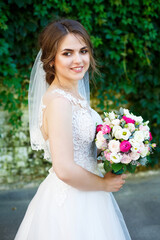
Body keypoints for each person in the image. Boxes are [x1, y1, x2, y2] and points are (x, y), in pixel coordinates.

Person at [14, 19, 131, 240]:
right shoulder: (59, 102)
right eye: (67, 53)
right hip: (71, 201)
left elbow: (82, 146)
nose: (78, 60)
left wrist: (119, 148)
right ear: (51, 61)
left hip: (89, 192)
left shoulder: (73, 96)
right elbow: (65, 168)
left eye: (83, 51)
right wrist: (104, 184)